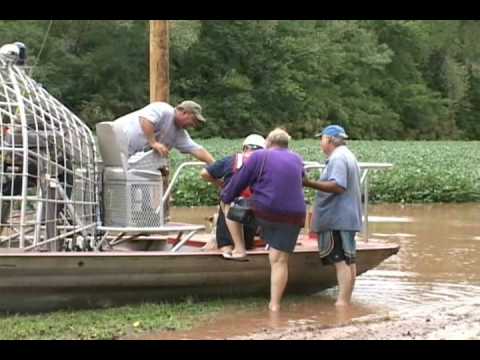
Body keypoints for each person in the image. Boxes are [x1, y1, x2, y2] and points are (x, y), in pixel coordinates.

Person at [221, 128, 306, 312]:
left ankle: (239, 248)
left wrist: (226, 196)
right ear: (287, 144)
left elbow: (238, 182)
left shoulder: (259, 156)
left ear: (268, 142)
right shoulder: (297, 159)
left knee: (227, 204)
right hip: (295, 214)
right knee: (279, 260)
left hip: (265, 211)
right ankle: (274, 306)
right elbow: (301, 180)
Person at [303, 125, 362, 307]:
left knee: (340, 261)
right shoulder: (348, 155)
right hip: (348, 217)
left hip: (337, 218)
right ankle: (345, 301)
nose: (320, 143)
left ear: (329, 139)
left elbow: (338, 185)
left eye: (321, 139)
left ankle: (342, 303)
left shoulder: (337, 158)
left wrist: (309, 183)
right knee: (349, 260)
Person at [200, 134, 266, 255]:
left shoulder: (230, 160)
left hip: (230, 211)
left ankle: (227, 249)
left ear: (244, 148)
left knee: (225, 203)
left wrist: (220, 183)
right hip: (253, 214)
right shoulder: (266, 164)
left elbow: (204, 173)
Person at [113, 100, 214, 165]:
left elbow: (196, 149)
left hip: (130, 157)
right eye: (193, 120)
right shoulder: (164, 109)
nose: (193, 125)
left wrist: (215, 165)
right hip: (116, 139)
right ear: (184, 112)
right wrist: (153, 142)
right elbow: (145, 120)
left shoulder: (179, 134)